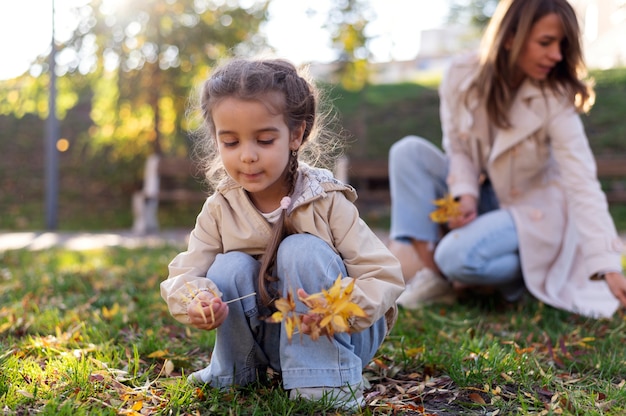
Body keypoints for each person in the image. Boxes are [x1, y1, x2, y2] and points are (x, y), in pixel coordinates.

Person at [160, 57, 404, 411]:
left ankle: (325, 380)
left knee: (301, 250)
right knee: (226, 267)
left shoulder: (325, 200)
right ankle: (236, 371)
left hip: (338, 334)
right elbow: (186, 273)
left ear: (296, 134)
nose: (247, 156)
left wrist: (344, 309)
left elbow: (383, 273)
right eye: (230, 142)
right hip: (270, 336)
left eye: (263, 139)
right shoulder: (221, 208)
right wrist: (197, 300)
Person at [387, 0, 626, 318]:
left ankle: (501, 275)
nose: (556, 55)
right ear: (511, 36)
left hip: (534, 211)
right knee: (407, 152)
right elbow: (458, 149)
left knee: (457, 256)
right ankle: (437, 275)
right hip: (488, 198)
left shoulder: (554, 96)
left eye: (562, 45)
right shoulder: (460, 76)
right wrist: (466, 195)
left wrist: (607, 264)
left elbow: (582, 182)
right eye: (546, 42)